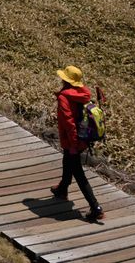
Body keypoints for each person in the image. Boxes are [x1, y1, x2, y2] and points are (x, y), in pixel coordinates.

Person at [51, 65, 104, 222]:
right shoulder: (83, 93)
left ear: (65, 80)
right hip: (83, 138)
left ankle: (96, 208)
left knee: (78, 173)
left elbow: (69, 123)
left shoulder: (64, 97)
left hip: (73, 140)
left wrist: (73, 144)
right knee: (67, 161)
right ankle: (62, 189)